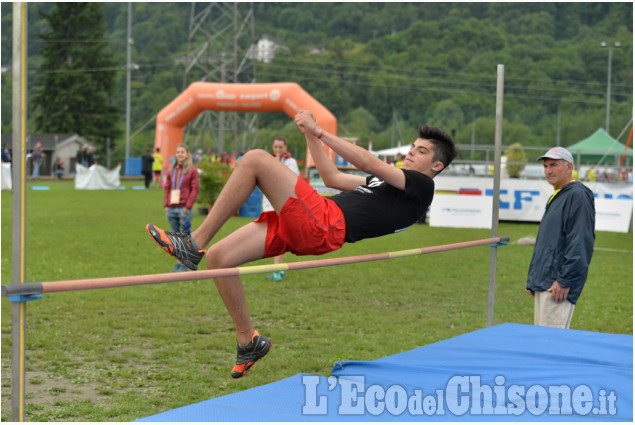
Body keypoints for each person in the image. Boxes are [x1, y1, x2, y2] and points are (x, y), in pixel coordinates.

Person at [146, 110, 456, 379]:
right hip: (314, 222)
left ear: (436, 166)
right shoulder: (389, 184)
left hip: (325, 223)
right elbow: (331, 176)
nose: (412, 152)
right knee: (220, 258)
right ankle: (248, 341)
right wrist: (311, 135)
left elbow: (372, 163)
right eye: (413, 147)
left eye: (422, 151)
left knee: (255, 159)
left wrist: (322, 131)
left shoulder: (422, 185)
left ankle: (193, 242)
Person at [525, 147, 595, 329]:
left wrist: (565, 280)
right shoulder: (559, 195)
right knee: (542, 341)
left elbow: (580, 241)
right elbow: (548, 241)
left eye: (554, 165)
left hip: (557, 286)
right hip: (545, 281)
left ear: (569, 166)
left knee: (550, 344)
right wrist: (534, 278)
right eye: (546, 166)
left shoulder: (577, 195)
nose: (548, 170)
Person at [261, 137, 300, 281]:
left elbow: (293, 180)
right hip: (268, 201)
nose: (277, 150)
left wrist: (277, 166)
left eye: (280, 147)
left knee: (278, 235)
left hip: (283, 202)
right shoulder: (268, 160)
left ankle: (278, 269)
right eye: (275, 147)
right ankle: (279, 268)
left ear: (286, 147)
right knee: (273, 235)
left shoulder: (291, 162)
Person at [161, 143, 200, 272]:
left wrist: (188, 206)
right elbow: (167, 188)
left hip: (184, 209)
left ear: (187, 154)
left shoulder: (192, 170)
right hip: (171, 209)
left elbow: (195, 189)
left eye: (182, 152)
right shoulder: (172, 170)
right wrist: (166, 205)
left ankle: (185, 265)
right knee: (176, 240)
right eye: (178, 152)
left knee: (184, 238)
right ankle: (179, 263)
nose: (180, 154)